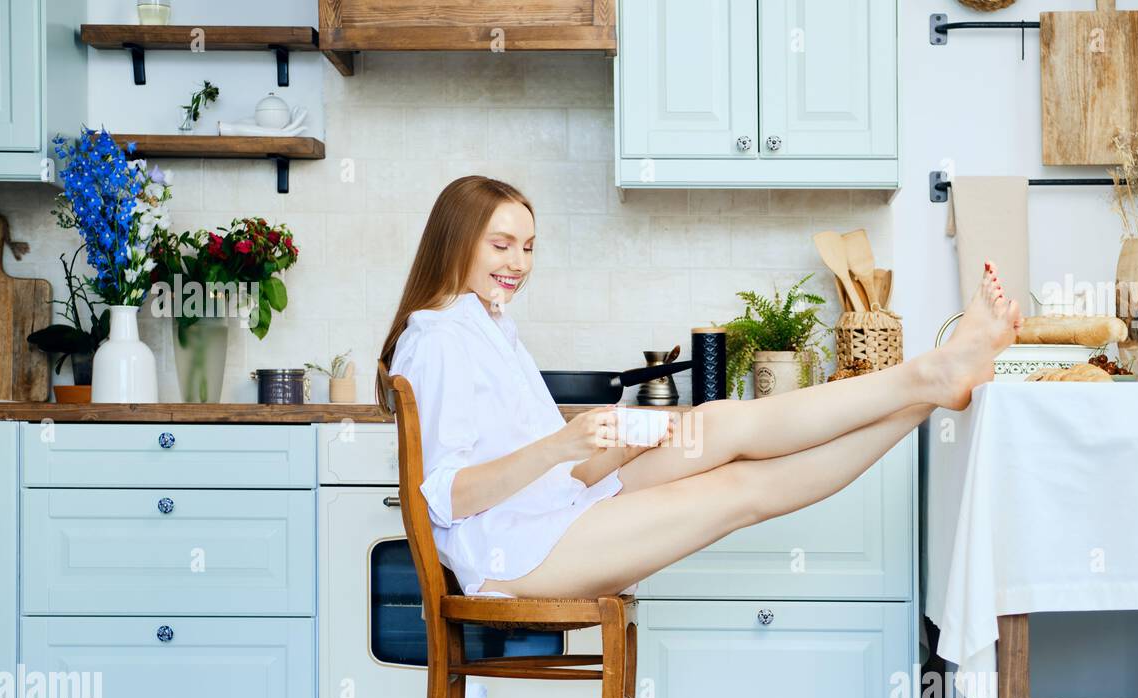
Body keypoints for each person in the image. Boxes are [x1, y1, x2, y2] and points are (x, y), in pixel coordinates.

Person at [377, 175, 1022, 601]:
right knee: (738, 489)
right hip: (510, 554)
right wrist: (562, 445)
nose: (519, 263)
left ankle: (926, 385)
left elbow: (550, 477)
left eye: (528, 247)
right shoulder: (437, 339)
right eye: (502, 245)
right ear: (458, 242)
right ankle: (928, 382)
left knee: (720, 421)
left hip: (551, 513)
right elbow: (448, 499)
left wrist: (619, 447)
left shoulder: (488, 327)